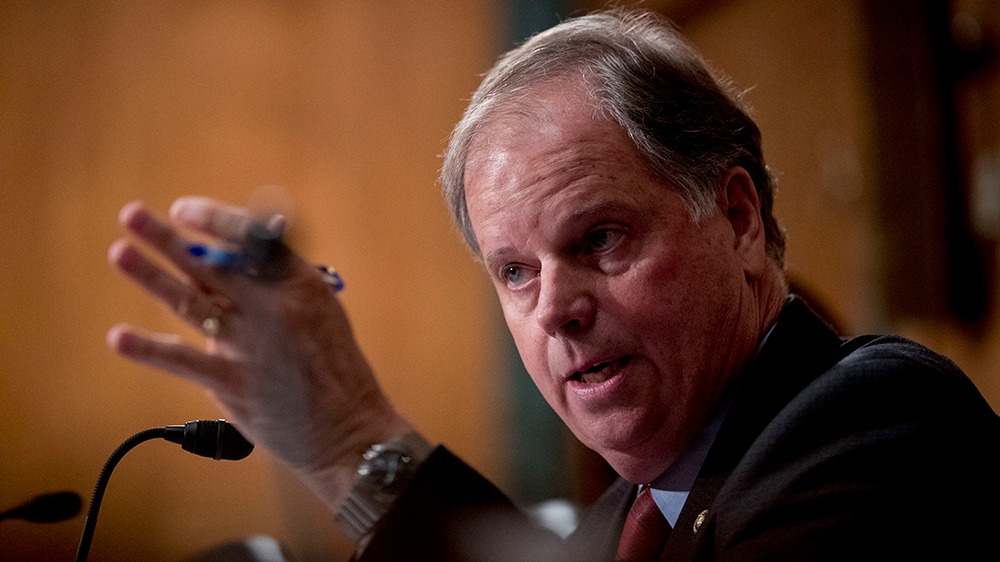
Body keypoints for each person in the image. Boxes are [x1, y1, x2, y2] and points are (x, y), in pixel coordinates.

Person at [107, 9, 1000, 562]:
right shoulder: (616, 523)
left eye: (599, 238)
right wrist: (337, 450)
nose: (555, 308)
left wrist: (351, 437)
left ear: (736, 219)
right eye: (515, 272)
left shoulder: (877, 421)